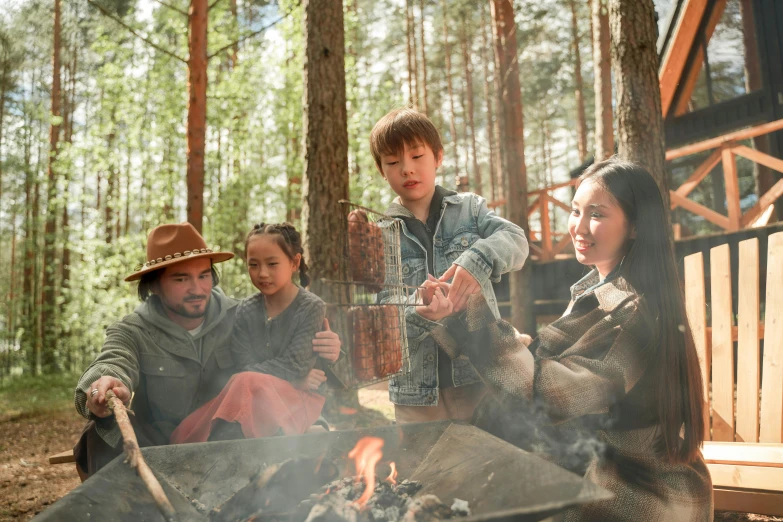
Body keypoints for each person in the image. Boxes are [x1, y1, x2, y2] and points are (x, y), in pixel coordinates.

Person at [433, 158, 712, 521]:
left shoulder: (631, 314)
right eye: (575, 210)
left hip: (641, 495)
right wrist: (464, 317)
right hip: (602, 471)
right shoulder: (597, 290)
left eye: (596, 214)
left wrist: (470, 314)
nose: (578, 227)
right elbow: (562, 378)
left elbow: (544, 399)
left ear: (635, 227)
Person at [74, 222, 341, 478]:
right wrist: (102, 387)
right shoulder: (134, 329)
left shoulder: (241, 314)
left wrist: (333, 353)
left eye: (203, 276)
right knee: (97, 435)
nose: (197, 289)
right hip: (160, 445)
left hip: (230, 443)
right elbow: (112, 361)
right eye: (181, 279)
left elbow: (288, 361)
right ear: (153, 285)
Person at [370, 107, 529, 424]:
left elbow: (517, 240)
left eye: (417, 157)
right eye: (392, 162)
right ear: (381, 170)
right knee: (422, 473)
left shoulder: (470, 209)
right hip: (415, 394)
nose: (406, 170)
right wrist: (417, 308)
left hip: (479, 378)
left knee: (485, 467)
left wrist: (477, 260)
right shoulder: (379, 234)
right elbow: (381, 310)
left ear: (438, 157)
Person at [170, 223, 328, 443]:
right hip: (254, 394)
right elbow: (243, 363)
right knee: (187, 430)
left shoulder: (311, 307)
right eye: (253, 265)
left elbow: (295, 364)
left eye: (272, 264)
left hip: (296, 398)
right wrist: (295, 379)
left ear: (295, 262)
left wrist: (293, 379)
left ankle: (231, 453)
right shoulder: (245, 309)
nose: (262, 273)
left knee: (244, 382)